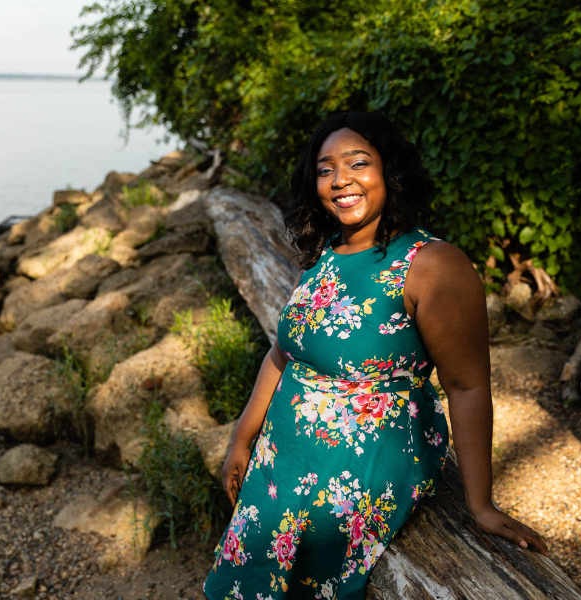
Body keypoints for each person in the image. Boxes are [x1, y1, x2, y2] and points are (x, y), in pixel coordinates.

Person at [203, 111, 548, 600]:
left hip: (367, 456)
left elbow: (468, 386)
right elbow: (285, 352)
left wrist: (482, 504)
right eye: (325, 169)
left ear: (391, 171)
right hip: (284, 453)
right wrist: (244, 435)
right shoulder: (330, 251)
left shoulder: (431, 265)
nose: (340, 180)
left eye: (358, 163)